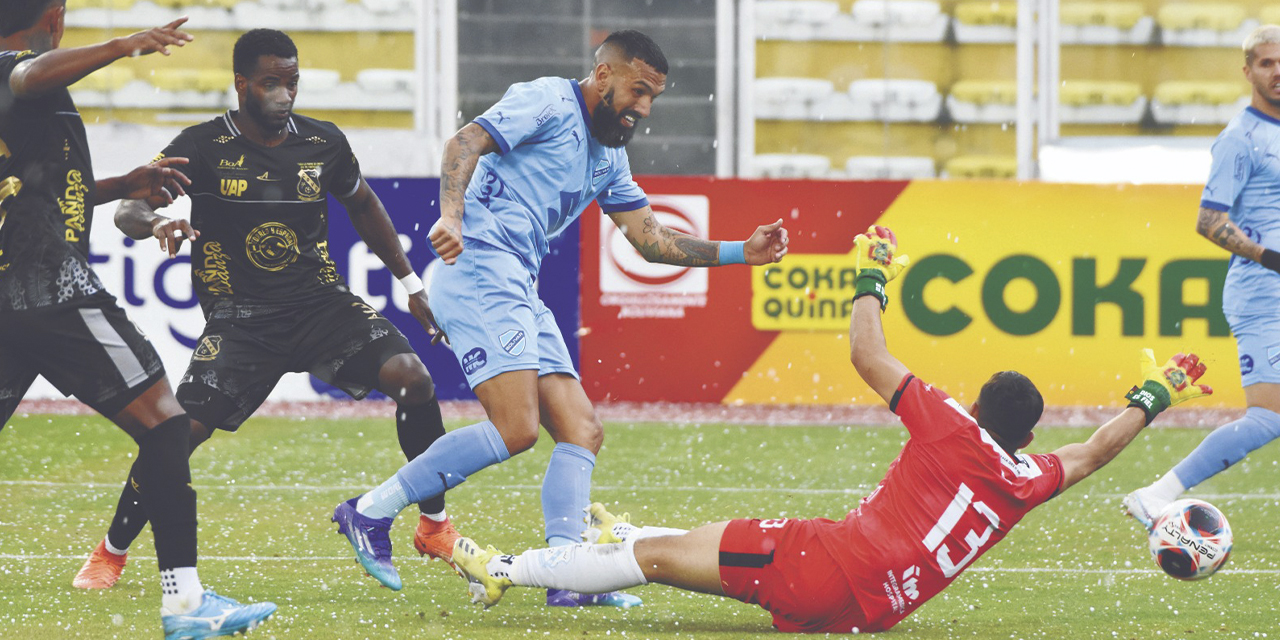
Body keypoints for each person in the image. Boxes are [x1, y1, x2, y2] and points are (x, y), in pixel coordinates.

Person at [448, 226, 1213, 634]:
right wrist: (1158, 391)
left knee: (653, 559)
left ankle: (505, 569)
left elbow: (864, 351)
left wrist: (872, 272)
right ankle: (623, 534)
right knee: (702, 545)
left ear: (978, 408)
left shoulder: (948, 427)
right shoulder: (1027, 479)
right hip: (870, 612)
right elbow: (1095, 451)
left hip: (828, 563)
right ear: (1026, 436)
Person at [333, 29, 789, 607]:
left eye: (653, 98)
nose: (643, 109)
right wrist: (452, 215)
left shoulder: (610, 156)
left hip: (517, 281)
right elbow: (463, 142)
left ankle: (567, 576)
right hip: (478, 266)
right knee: (517, 429)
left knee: (581, 431)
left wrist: (738, 252)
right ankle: (369, 512)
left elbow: (649, 240)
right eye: (638, 91)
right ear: (604, 76)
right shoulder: (548, 100)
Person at [72, 28, 451, 593]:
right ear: (241, 84)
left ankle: (434, 524)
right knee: (175, 432)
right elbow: (128, 207)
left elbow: (365, 204)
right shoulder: (200, 146)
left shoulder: (323, 143)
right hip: (240, 321)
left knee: (413, 379)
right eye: (271, 83)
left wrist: (409, 280)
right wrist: (158, 223)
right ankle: (111, 551)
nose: (284, 95)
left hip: (322, 307)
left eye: (292, 82)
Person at [0, 2, 276, 637]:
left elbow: (43, 184)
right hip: (53, 289)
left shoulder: (27, 102)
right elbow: (26, 76)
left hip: (12, 298)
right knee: (165, 425)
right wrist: (124, 45)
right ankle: (185, 603)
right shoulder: (18, 71)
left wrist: (122, 182)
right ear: (55, 15)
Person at [1124, 24, 1280, 528]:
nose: (1278, 73)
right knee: (1269, 417)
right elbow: (1209, 221)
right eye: (1267, 63)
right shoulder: (1240, 139)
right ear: (1248, 71)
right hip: (1264, 291)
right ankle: (1157, 493)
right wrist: (1270, 256)